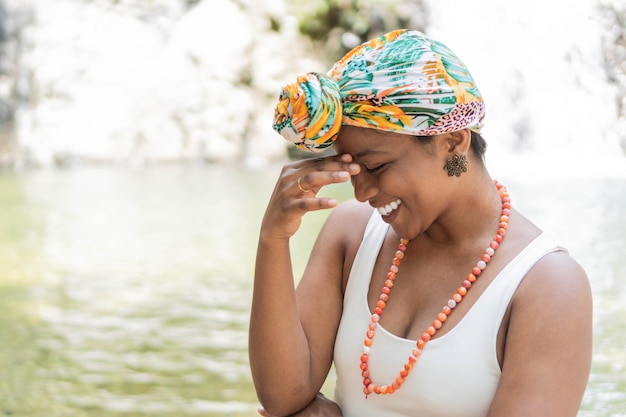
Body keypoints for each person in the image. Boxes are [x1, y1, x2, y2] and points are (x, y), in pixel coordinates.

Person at [249, 29, 592, 417]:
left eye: (376, 166)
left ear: (453, 141)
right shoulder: (352, 235)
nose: (361, 192)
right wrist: (273, 240)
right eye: (353, 169)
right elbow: (282, 397)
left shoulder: (546, 286)